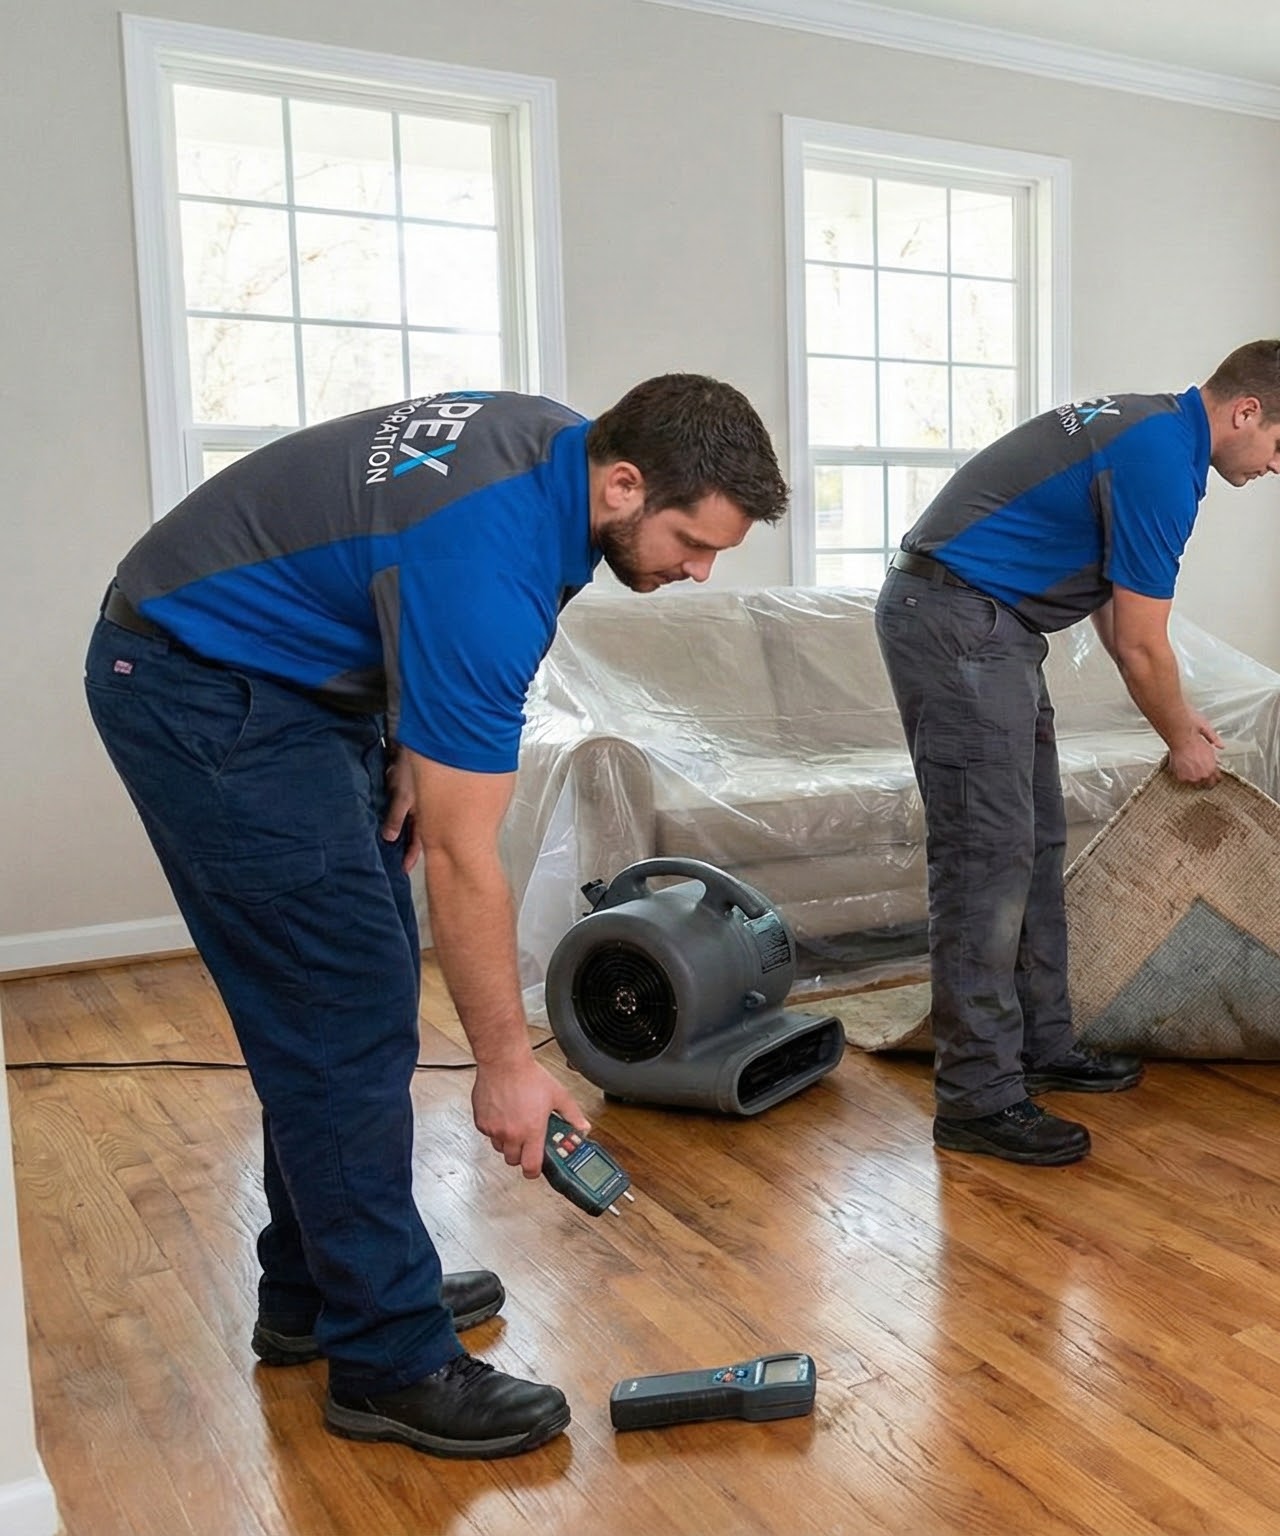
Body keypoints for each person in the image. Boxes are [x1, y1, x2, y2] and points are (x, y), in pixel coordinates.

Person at [86, 376, 788, 1457]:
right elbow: (465, 860)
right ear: (624, 483)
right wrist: (507, 1065)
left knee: (329, 1002)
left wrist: (422, 740)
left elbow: (387, 573)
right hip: (206, 689)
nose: (698, 573)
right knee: (345, 1009)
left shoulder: (555, 448)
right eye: (693, 543)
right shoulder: (488, 564)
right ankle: (388, 1361)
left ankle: (319, 1291)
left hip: (288, 684)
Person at [878, 339, 1280, 1168]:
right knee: (987, 859)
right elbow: (1141, 643)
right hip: (957, 621)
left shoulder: (1155, 430)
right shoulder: (1162, 458)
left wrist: (1173, 715)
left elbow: (1112, 602)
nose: (1278, 466)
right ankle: (977, 1099)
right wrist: (1183, 736)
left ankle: (1043, 1047)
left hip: (995, 627)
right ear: (1244, 413)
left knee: (1035, 841)